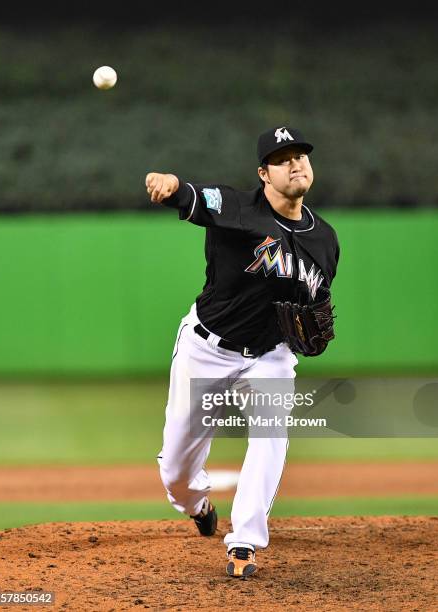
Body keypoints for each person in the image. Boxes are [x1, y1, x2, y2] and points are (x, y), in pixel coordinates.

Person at [146, 126, 340, 578]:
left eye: (300, 156)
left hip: (269, 356)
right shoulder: (236, 207)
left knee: (271, 439)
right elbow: (189, 195)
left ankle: (244, 542)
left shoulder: (325, 240)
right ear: (264, 173)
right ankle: (196, 505)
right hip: (207, 348)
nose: (295, 164)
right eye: (282, 158)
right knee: (175, 470)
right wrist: (170, 184)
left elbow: (314, 305)